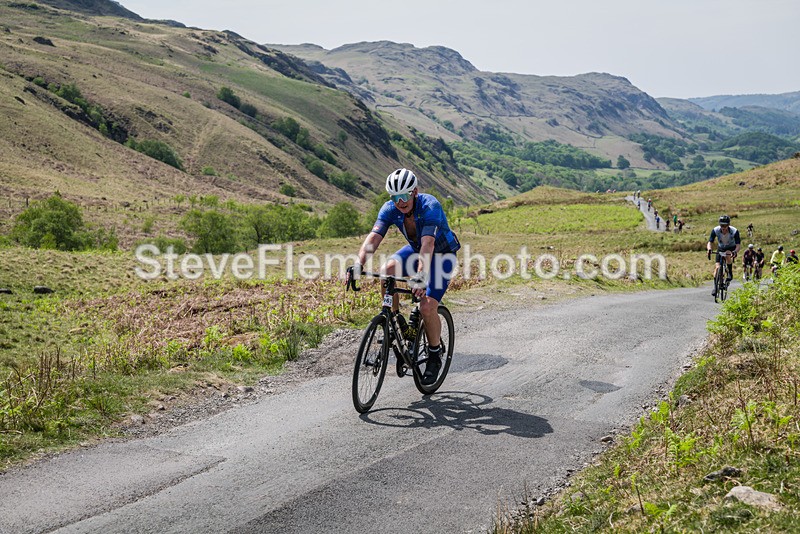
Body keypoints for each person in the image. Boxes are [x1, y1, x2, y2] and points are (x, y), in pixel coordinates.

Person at [345, 168, 460, 385]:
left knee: (427, 307)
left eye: (404, 196)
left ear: (414, 192)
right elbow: (373, 238)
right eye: (395, 197)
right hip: (417, 251)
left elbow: (428, 244)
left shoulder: (429, 206)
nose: (400, 201)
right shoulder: (390, 209)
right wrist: (358, 264)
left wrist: (420, 275)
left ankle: (434, 354)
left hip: (442, 256)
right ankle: (395, 320)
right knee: (386, 271)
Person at [707, 215, 741, 297]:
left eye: (725, 225)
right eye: (722, 225)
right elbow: (710, 242)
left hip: (731, 248)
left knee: (728, 253)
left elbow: (738, 245)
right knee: (717, 268)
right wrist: (709, 249)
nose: (723, 228)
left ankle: (730, 272)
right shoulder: (715, 230)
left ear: (728, 225)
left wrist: (735, 252)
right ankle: (715, 287)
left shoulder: (734, 231)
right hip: (721, 248)